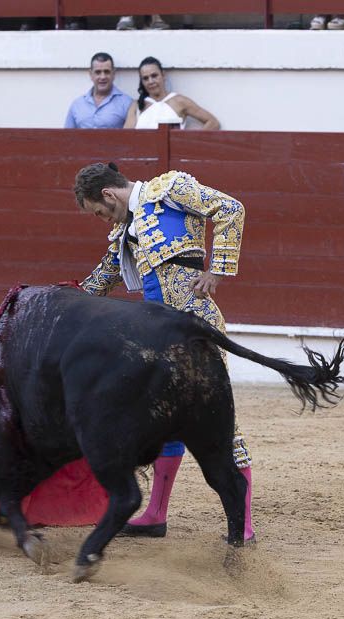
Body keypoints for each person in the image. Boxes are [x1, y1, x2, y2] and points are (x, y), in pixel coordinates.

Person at [72, 162, 256, 541]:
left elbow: (230, 208)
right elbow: (102, 279)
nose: (102, 219)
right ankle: (154, 515)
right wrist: (63, 303)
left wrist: (217, 270)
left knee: (219, 425)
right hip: (156, 336)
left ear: (109, 194)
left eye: (99, 211)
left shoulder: (168, 190)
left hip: (195, 326)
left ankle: (246, 527)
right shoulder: (125, 230)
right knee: (162, 420)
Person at [124, 57, 221, 130]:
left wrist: (192, 144)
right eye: (145, 78)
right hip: (143, 155)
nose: (151, 81)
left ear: (163, 75)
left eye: (154, 76)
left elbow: (213, 122)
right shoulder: (136, 106)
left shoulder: (179, 101)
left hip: (172, 156)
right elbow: (127, 136)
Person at [63, 53, 132, 129]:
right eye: (98, 72)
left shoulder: (127, 103)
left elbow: (131, 138)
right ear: (90, 74)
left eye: (107, 72)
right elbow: (66, 137)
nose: (102, 77)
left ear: (113, 73)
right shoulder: (77, 105)